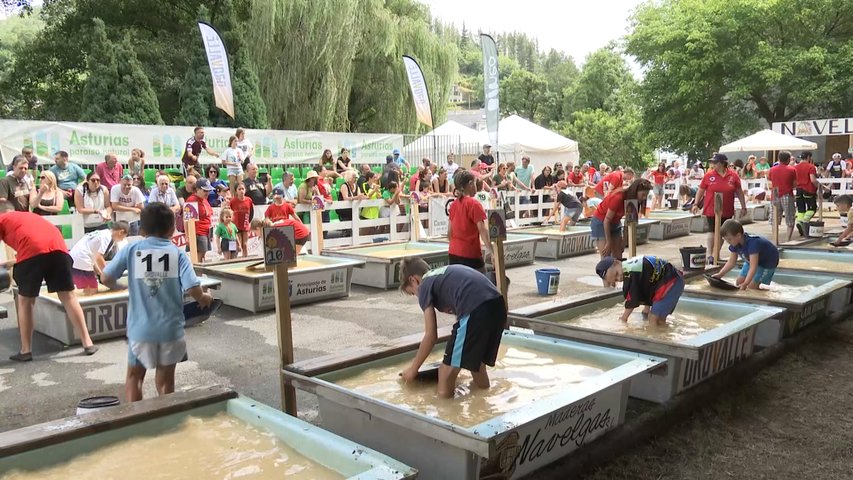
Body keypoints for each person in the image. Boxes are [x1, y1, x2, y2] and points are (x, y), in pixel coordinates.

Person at [102, 203, 212, 402]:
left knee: (134, 378)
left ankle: (136, 421)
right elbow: (193, 288)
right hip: (171, 330)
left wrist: (121, 287)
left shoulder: (132, 249)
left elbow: (106, 277)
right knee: (166, 383)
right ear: (171, 229)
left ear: (142, 230)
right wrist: (204, 298)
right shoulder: (177, 253)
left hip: (140, 331)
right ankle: (166, 422)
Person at [0, 204, 98, 361]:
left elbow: (33, 250)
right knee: (69, 297)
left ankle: (26, 350)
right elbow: (38, 244)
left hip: (32, 251)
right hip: (59, 249)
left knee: (26, 300)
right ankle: (88, 342)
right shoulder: (28, 217)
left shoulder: (2, 218)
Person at [398, 258, 507, 398]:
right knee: (477, 366)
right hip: (498, 307)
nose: (417, 296)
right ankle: (484, 403)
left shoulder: (424, 285)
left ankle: (445, 413)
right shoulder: (441, 275)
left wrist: (413, 370)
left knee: (445, 373)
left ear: (414, 280)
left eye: (413, 293)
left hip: (476, 308)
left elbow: (431, 336)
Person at [595, 255, 684, 326]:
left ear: (617, 262)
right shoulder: (630, 266)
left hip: (671, 282)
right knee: (658, 319)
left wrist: (624, 318)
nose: (619, 278)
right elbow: (647, 283)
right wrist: (646, 309)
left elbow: (633, 298)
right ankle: (663, 335)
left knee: (654, 319)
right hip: (672, 279)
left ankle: (657, 342)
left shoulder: (632, 273)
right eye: (616, 280)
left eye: (617, 274)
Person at [693, 153, 746, 263]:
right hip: (711, 208)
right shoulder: (709, 175)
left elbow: (739, 191)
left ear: (722, 163)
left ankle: (715, 254)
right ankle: (709, 254)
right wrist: (695, 203)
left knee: (723, 232)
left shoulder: (733, 176)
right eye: (712, 162)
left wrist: (743, 206)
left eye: (715, 162)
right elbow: (701, 190)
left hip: (727, 208)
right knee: (712, 230)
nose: (712, 165)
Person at [592, 179, 653, 264]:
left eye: (646, 195)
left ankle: (619, 276)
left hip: (615, 222)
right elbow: (607, 220)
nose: (644, 198)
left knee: (618, 256)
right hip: (601, 221)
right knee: (606, 257)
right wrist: (609, 242)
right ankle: (607, 276)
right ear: (635, 191)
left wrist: (624, 241)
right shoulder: (618, 197)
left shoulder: (633, 201)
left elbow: (629, 222)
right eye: (643, 194)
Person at [447, 170, 493, 273]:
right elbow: (483, 230)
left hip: (453, 253)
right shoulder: (474, 204)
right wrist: (491, 251)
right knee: (480, 284)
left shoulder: (454, 205)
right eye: (475, 182)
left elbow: (450, 232)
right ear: (470, 184)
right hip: (470, 253)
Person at [714, 219, 779, 290]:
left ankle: (768, 293)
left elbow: (753, 267)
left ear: (738, 235)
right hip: (751, 260)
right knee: (739, 282)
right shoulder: (735, 243)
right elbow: (731, 262)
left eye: (729, 239)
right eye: (726, 240)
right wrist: (720, 274)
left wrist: (746, 283)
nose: (728, 242)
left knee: (752, 287)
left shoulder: (753, 244)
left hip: (768, 262)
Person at [69, 221, 129, 295]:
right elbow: (99, 257)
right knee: (92, 289)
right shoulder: (107, 237)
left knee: (89, 287)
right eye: (124, 236)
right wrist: (107, 273)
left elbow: (95, 255)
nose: (122, 239)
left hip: (80, 257)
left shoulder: (105, 234)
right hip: (81, 257)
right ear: (121, 232)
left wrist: (99, 271)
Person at [767, 151, 798, 242]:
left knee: (775, 219)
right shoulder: (792, 170)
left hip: (775, 195)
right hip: (787, 194)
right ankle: (788, 239)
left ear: (779, 159)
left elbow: (770, 181)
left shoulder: (772, 169)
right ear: (788, 159)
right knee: (790, 218)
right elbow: (794, 183)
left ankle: (775, 239)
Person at [186, 178, 214, 262]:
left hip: (205, 231)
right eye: (205, 190)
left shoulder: (204, 200)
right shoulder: (192, 200)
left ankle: (199, 273)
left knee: (202, 257)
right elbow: (187, 220)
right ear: (198, 189)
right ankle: (196, 273)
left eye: (208, 190)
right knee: (198, 257)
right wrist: (188, 235)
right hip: (198, 233)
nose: (207, 193)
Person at [794, 151, 820, 237]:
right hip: (808, 189)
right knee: (812, 208)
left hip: (798, 189)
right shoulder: (811, 167)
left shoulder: (795, 167)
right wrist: (819, 186)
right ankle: (805, 221)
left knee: (801, 209)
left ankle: (799, 221)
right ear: (809, 157)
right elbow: (812, 180)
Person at [229, 183, 254, 258]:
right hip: (236, 226)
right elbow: (229, 213)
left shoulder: (249, 200)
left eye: (243, 189)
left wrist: (248, 222)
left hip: (245, 226)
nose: (241, 191)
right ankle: (233, 260)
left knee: (245, 245)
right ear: (236, 191)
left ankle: (245, 259)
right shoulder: (233, 201)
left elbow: (251, 212)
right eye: (239, 189)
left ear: (245, 190)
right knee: (237, 245)